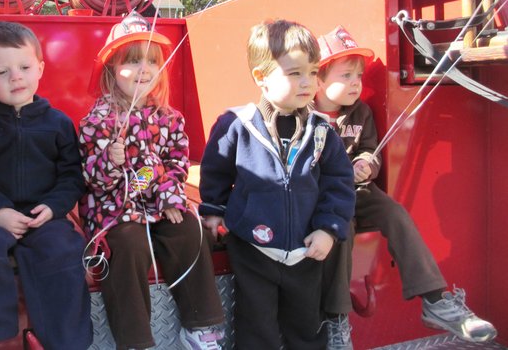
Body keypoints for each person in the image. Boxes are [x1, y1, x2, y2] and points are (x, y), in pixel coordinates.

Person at [315, 25, 497, 349]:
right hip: (322, 199)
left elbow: (369, 151)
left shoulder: (361, 113)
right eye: (346, 76)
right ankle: (336, 320)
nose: (356, 83)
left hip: (358, 192)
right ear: (318, 79)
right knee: (340, 226)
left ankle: (436, 301)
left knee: (394, 212)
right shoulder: (304, 117)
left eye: (358, 76)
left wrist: (367, 164)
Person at [199, 19, 356, 349]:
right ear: (261, 77)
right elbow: (215, 169)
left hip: (306, 249)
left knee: (305, 327)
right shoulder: (236, 125)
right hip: (253, 248)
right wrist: (213, 210)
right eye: (295, 73)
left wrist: (328, 229)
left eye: (313, 72)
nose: (308, 82)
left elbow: (338, 182)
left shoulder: (321, 131)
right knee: (257, 330)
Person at [78, 13, 225, 350]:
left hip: (156, 204)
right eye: (132, 61)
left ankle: (200, 326)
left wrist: (169, 197)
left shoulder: (169, 118)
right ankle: (135, 340)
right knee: (128, 246)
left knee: (191, 229)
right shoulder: (98, 120)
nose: (143, 68)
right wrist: (110, 163)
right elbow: (91, 180)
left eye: (151, 61)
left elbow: (175, 162)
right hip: (113, 210)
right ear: (113, 68)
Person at [0, 21, 92, 350]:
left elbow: (72, 177)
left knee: (63, 253)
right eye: (2, 72)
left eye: (24, 67)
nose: (16, 77)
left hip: (44, 216)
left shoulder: (59, 123)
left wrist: (54, 207)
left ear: (40, 68)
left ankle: (67, 342)